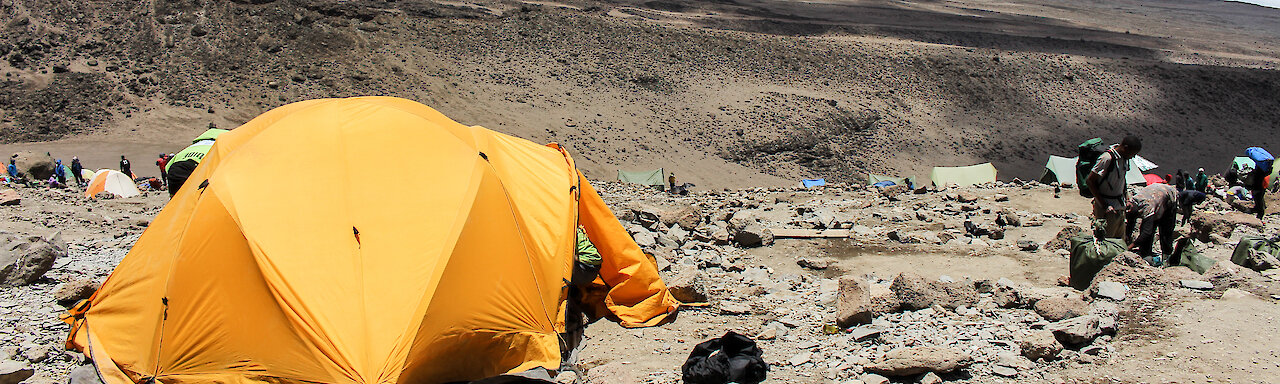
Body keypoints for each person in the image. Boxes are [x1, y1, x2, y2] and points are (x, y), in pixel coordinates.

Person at [1086, 135, 1141, 240]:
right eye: (1132, 153)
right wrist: (1104, 205)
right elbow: (1090, 181)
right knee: (1107, 239)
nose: (1132, 157)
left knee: (1119, 239)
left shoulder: (1124, 159)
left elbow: (1122, 180)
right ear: (1125, 148)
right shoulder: (1107, 158)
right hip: (1107, 207)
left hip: (1119, 205)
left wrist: (1127, 199)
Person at [1126, 183, 1178, 264]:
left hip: (1169, 197)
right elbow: (1130, 223)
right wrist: (1127, 238)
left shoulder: (1147, 207)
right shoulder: (1132, 202)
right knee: (1147, 227)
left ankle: (1166, 256)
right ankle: (1145, 253)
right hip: (1156, 195)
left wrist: (1131, 246)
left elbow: (1146, 232)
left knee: (1165, 230)